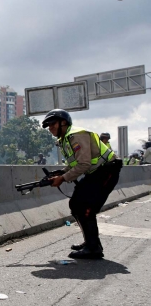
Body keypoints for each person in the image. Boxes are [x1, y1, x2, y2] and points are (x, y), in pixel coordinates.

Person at [42, 109, 122, 259]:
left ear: (63, 122)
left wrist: (63, 178)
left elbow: (84, 164)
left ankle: (93, 248)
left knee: (86, 207)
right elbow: (75, 163)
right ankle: (90, 243)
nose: (50, 128)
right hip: (96, 173)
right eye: (48, 126)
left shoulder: (76, 135)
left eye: (52, 124)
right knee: (76, 204)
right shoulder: (65, 139)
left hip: (107, 171)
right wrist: (61, 173)